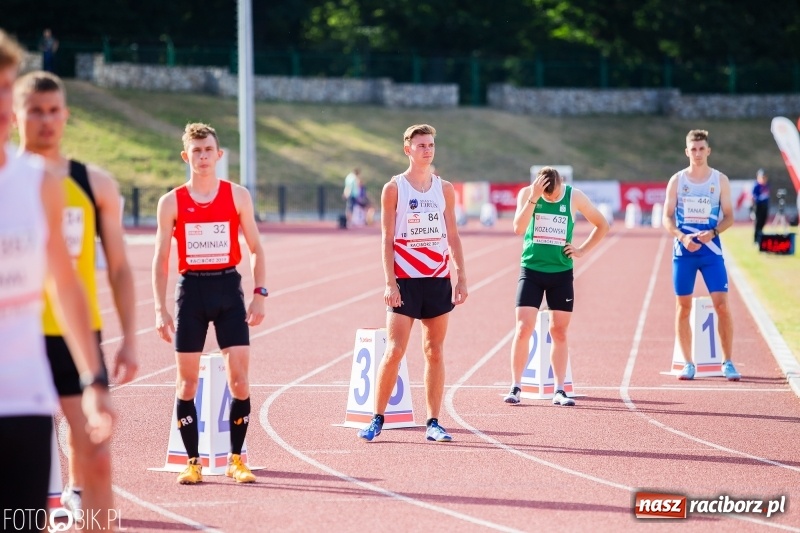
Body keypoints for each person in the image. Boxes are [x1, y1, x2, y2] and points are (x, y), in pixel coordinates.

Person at [0, 28, 113, 530]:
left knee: (22, 521)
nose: (4, 100)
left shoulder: (41, 186)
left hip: (22, 394)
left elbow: (66, 286)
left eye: (8, 86)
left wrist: (94, 380)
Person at [13, 70, 138, 521]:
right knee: (20, 478)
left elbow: (120, 267)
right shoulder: (10, 185)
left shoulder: (94, 184)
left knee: (97, 458)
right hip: (17, 340)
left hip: (75, 337)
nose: (46, 121)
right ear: (15, 115)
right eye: (35, 111)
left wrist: (130, 337)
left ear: (65, 115)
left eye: (53, 111)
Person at [152, 122, 266, 484]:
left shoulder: (237, 196)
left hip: (228, 289)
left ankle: (235, 459)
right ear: (187, 156)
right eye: (196, 151)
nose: (202, 157)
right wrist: (159, 307)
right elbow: (160, 258)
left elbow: (255, 248)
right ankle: (193, 462)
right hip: (192, 294)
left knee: (240, 381)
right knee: (186, 385)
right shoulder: (171, 202)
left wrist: (260, 293)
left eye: (208, 151)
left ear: (219, 155)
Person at [357, 124, 468, 443]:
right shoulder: (394, 188)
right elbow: (386, 239)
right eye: (420, 145)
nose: (427, 150)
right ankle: (376, 417)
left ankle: (433, 421)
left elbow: (453, 236)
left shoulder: (444, 189)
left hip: (437, 280)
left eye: (431, 144)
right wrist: (390, 282)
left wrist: (461, 276)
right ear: (407, 149)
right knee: (394, 350)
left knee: (434, 351)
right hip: (405, 281)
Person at [502, 167, 609, 406]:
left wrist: (581, 250)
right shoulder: (528, 194)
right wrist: (534, 197)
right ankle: (515, 386)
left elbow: (602, 225)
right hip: (531, 270)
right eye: (546, 195)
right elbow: (518, 228)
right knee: (522, 328)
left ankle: (559, 390)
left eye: (553, 195)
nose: (550, 198)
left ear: (561, 185)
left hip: (561, 273)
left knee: (558, 332)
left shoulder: (574, 196)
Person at [662, 129, 740, 381]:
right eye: (692, 149)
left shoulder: (720, 181)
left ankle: (727, 361)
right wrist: (682, 237)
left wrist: (713, 231)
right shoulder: (677, 181)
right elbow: (666, 217)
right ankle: (688, 363)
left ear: (708, 150)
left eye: (701, 149)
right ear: (687, 151)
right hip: (684, 252)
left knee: (722, 306)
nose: (697, 153)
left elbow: (729, 216)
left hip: (711, 252)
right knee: (682, 307)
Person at [751, 168, 770, 244]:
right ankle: (756, 239)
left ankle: (761, 237)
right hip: (758, 206)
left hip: (765, 206)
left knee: (763, 222)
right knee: (758, 223)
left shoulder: (766, 185)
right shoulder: (756, 186)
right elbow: (753, 197)